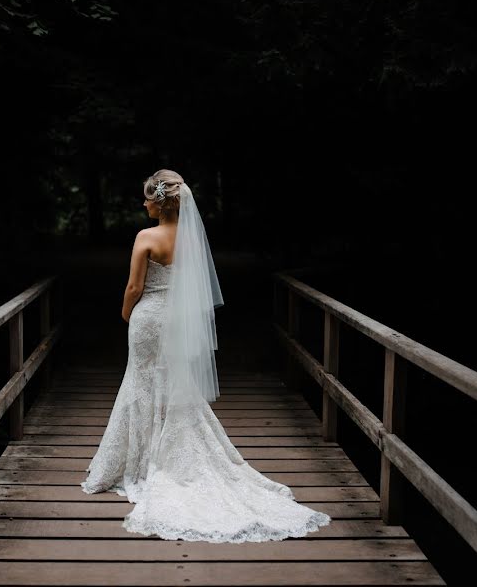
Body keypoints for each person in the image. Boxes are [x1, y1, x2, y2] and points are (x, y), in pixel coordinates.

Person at [80, 168, 332, 542]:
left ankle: (140, 459)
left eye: (146, 198)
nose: (143, 203)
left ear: (159, 201)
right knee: (173, 380)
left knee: (141, 379)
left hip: (149, 316)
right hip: (178, 318)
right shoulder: (192, 239)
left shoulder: (146, 236)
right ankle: (166, 452)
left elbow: (134, 286)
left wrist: (124, 312)